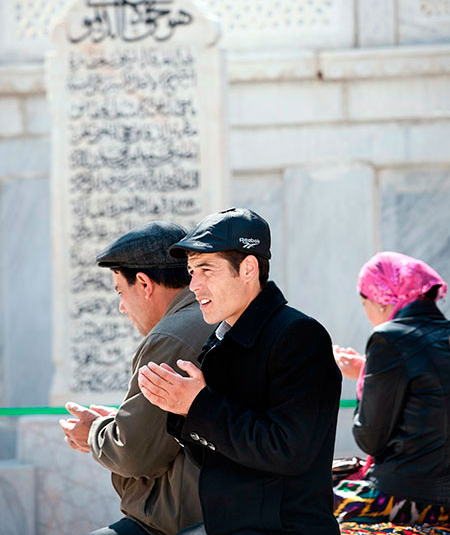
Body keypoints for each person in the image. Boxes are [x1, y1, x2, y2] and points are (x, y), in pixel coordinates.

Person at [138, 207, 342, 535]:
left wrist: (197, 405)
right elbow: (218, 456)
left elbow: (289, 450)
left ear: (248, 269)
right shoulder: (221, 340)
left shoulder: (299, 336)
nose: (194, 285)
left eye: (206, 270)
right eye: (191, 271)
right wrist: (181, 407)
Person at [59, 221, 214, 535]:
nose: (121, 307)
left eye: (121, 291)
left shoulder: (172, 335)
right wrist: (119, 421)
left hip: (179, 524)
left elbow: (135, 454)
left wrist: (93, 432)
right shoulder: (206, 316)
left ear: (144, 283)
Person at [333, 251, 450, 526]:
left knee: (299, 500)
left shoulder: (389, 338)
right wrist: (367, 370)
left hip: (410, 496)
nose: (367, 313)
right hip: (440, 491)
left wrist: (366, 380)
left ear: (382, 300)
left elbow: (369, 438)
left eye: (364, 303)